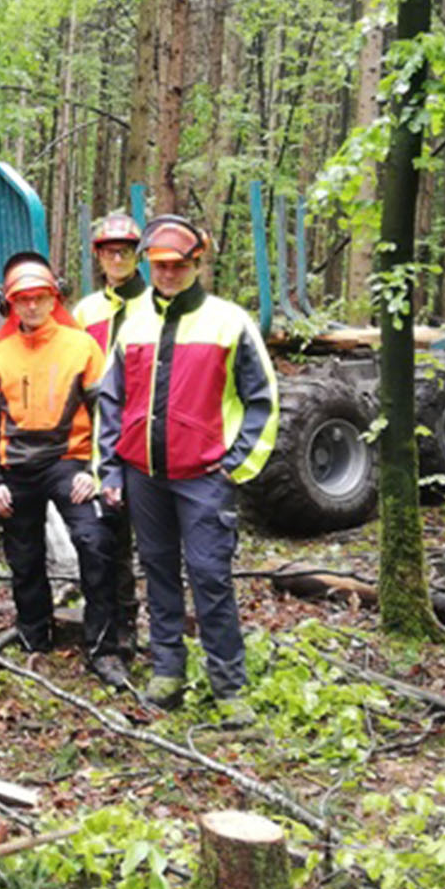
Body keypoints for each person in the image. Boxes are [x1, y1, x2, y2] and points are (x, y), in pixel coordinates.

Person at [96, 215, 278, 727]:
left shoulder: (229, 322)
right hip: (143, 474)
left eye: (178, 266)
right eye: (160, 266)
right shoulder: (133, 324)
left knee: (210, 577)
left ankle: (228, 684)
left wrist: (236, 465)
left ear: (197, 263)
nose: (169, 274)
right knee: (157, 573)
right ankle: (168, 670)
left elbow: (262, 399)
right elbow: (111, 403)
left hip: (204, 477)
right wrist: (109, 470)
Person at [0, 254, 126, 686]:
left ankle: (103, 648)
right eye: (23, 300)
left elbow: (107, 414)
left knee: (95, 542)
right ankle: (34, 635)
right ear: (12, 305)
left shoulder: (81, 347)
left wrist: (96, 469)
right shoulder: (0, 354)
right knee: (23, 556)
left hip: (69, 462)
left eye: (39, 298)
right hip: (16, 466)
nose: (32, 307)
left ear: (53, 299)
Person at [70, 211, 148, 665]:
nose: (117, 258)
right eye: (109, 251)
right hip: (97, 441)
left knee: (149, 544)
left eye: (125, 250)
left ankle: (139, 628)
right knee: (108, 538)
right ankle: (114, 631)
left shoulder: (154, 303)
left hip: (144, 437)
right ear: (98, 256)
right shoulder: (86, 312)